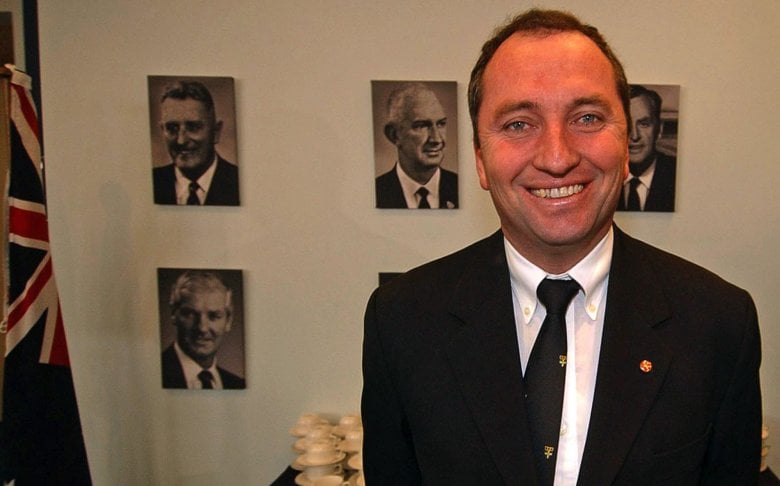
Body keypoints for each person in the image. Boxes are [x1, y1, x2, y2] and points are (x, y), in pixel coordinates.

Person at [361, 8, 761, 485]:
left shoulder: (718, 322)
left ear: (626, 146)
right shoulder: (402, 320)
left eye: (587, 117)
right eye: (518, 124)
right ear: (480, 160)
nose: (557, 157)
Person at [152, 80, 240, 206]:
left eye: (193, 127)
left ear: (216, 131)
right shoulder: (151, 181)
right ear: (162, 131)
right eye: (172, 128)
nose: (181, 140)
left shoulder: (238, 181)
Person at [375, 83, 458, 209]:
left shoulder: (459, 187)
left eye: (441, 124)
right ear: (394, 135)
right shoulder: (379, 191)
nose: (436, 139)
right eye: (421, 126)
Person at [161, 270, 245, 389]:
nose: (202, 328)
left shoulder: (237, 384)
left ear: (229, 321)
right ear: (174, 314)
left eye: (214, 316)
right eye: (191, 314)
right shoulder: (153, 373)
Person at [617, 84, 676, 212]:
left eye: (644, 124)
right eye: (627, 125)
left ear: (659, 130)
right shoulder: (603, 176)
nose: (634, 135)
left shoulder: (673, 175)